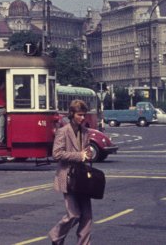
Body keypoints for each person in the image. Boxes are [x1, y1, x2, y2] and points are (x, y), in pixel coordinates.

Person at [48, 99, 95, 245]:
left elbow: (85, 152)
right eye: (79, 115)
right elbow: (56, 154)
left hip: (82, 178)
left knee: (87, 216)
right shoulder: (63, 132)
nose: (82, 118)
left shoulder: (85, 131)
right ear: (72, 114)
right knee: (74, 214)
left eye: (84, 115)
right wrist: (79, 155)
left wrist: (88, 154)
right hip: (68, 177)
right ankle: (56, 236)